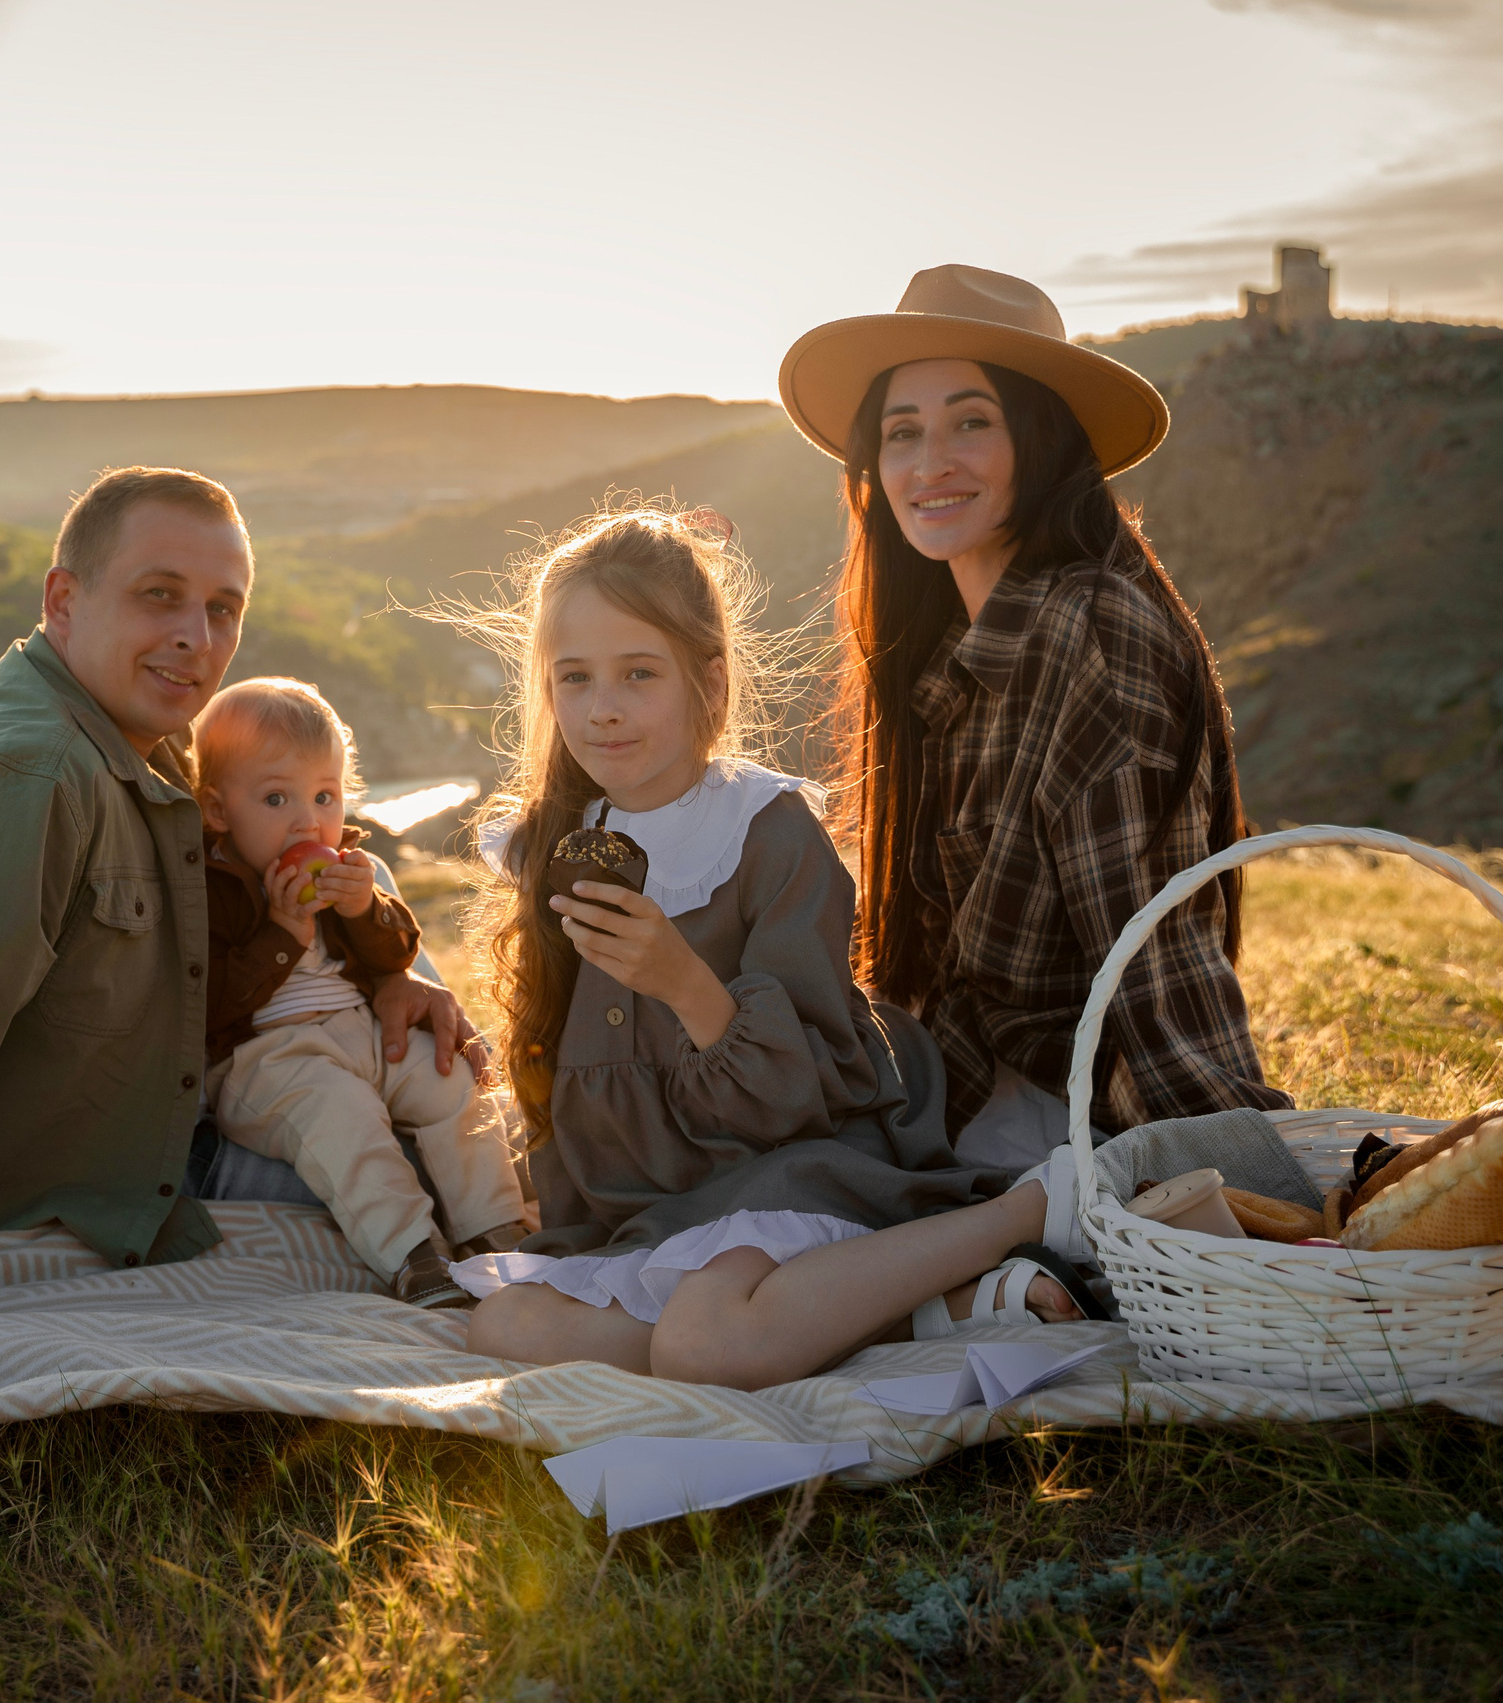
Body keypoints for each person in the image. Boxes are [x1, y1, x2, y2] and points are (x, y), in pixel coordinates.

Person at [0, 467, 479, 1368]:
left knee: (461, 1092)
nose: (196, 638)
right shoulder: (27, 782)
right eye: (159, 596)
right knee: (444, 1155)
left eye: (223, 609)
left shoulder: (138, 730)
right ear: (64, 599)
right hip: (124, 1178)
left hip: (189, 1098)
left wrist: (395, 974)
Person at [454, 508, 1095, 1390]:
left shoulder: (766, 832)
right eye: (574, 678)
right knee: (505, 1325)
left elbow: (824, 1078)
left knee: (702, 1345)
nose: (602, 708)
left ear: (708, 683)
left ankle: (1023, 1213)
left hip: (791, 1170)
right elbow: (566, 1064)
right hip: (656, 1209)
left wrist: (685, 983)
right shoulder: (555, 847)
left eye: (639, 673)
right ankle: (895, 1311)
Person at [782, 264, 1291, 1173]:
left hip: (1067, 1133)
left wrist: (1249, 1203)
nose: (930, 461)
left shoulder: (1088, 630)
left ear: (1042, 436)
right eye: (903, 432)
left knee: (735, 1282)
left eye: (973, 421)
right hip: (962, 1100)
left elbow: (1147, 958)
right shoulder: (951, 655)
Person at [195, 677, 528, 1309]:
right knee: (343, 1123)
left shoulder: (347, 869)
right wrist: (283, 930)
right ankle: (413, 1255)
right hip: (271, 1061)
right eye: (275, 798)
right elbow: (213, 1003)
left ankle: (494, 1231)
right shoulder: (216, 889)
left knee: (450, 1083)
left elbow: (397, 956)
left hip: (363, 1033)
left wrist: (365, 907)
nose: (308, 820)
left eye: (325, 795)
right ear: (218, 811)